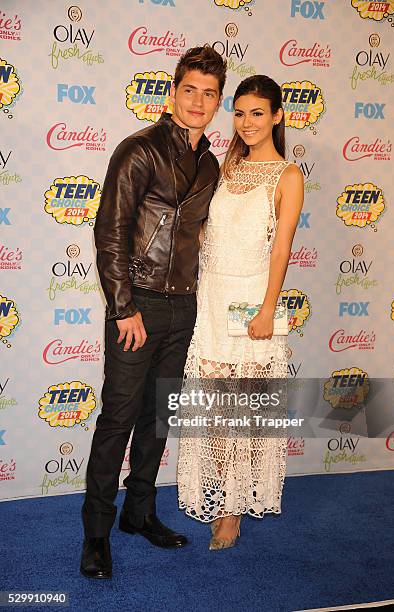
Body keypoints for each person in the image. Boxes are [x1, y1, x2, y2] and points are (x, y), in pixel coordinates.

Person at [80, 45, 227, 579]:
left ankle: (138, 513)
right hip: (135, 305)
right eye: (189, 89)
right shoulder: (138, 150)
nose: (198, 101)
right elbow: (110, 230)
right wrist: (123, 309)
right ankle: (96, 532)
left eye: (209, 94)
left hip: (183, 308)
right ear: (172, 92)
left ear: (217, 103)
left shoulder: (210, 163)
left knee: (157, 419)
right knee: (118, 418)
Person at [177, 75, 304, 549]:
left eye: (257, 113)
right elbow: (206, 230)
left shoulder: (288, 175)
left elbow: (281, 248)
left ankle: (233, 511)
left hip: (253, 299)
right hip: (211, 297)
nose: (247, 122)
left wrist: (269, 308)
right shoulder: (225, 165)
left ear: (277, 116)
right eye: (240, 112)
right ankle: (222, 498)